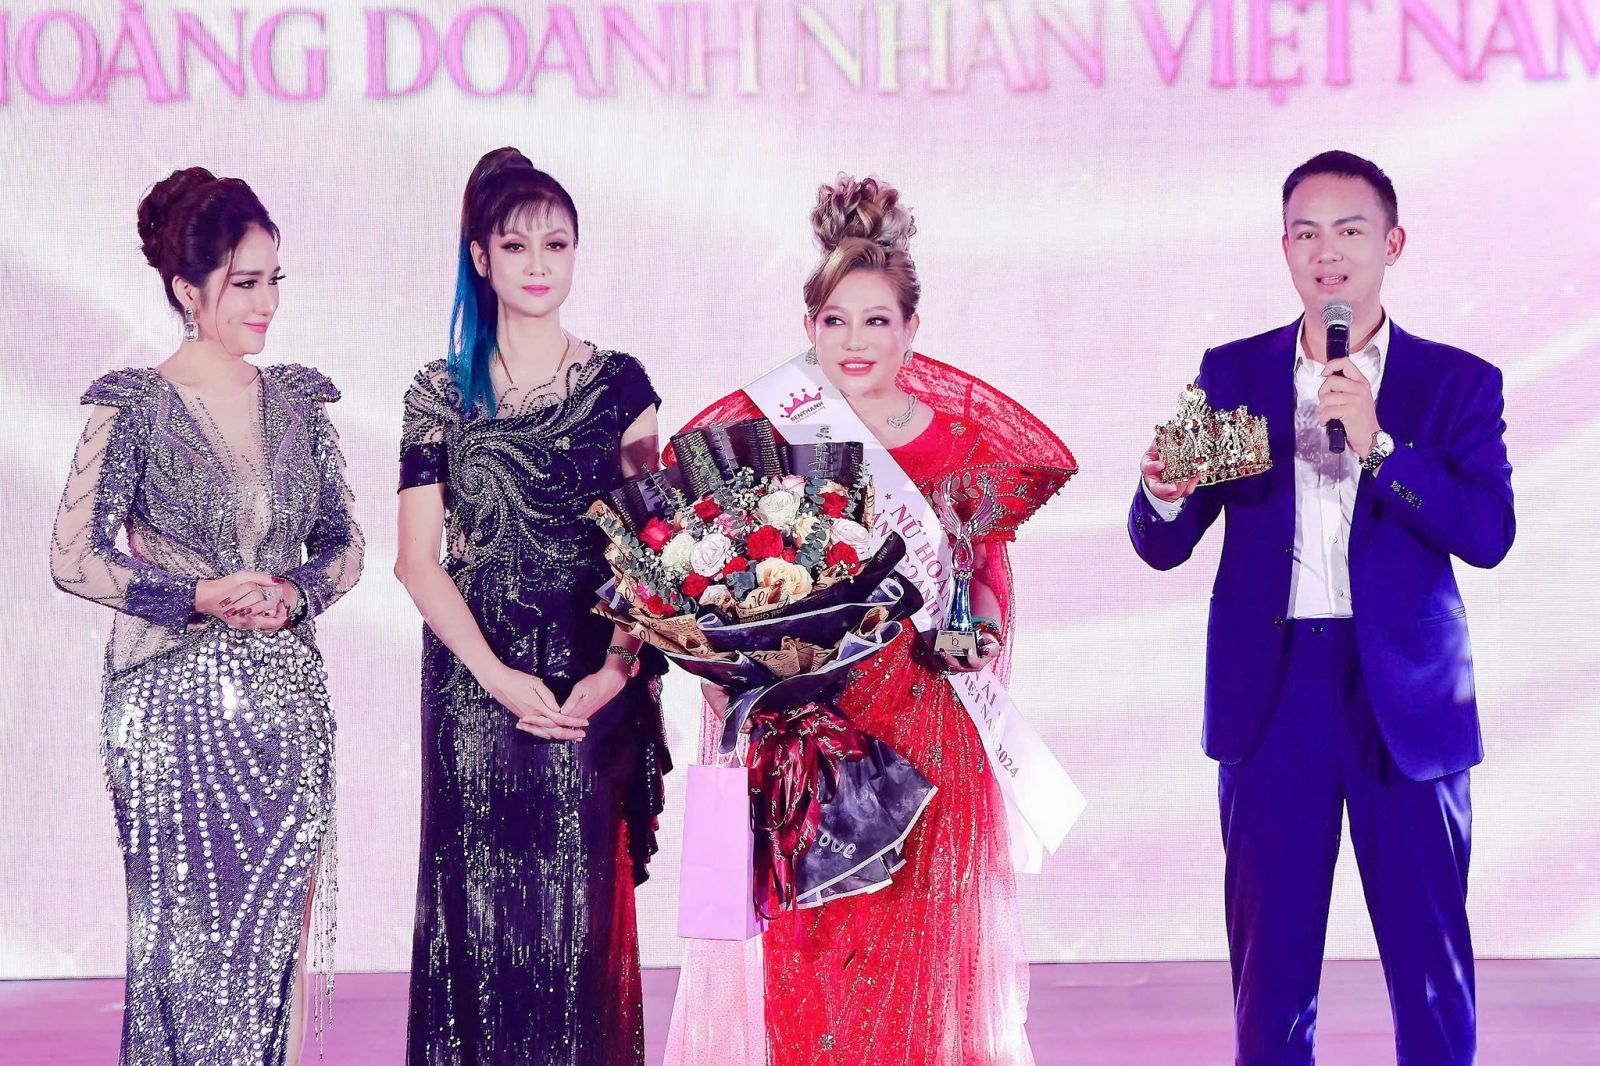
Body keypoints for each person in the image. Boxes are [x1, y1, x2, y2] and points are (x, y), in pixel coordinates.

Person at [666, 175, 1075, 1065]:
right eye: (836, 321)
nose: (855, 341)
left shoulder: (959, 446)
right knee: (812, 963)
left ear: (911, 330)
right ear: (809, 327)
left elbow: (983, 573)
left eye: (877, 320)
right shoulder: (776, 440)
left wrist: (983, 631)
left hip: (931, 726)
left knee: (924, 962)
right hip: (814, 735)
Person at [1129, 150, 1514, 1065]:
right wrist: (1164, 494)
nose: (1327, 252)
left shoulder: (1455, 382)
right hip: (1273, 695)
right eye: (1306, 233)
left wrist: (1381, 446)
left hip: (1406, 698)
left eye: (1349, 230)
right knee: (1271, 975)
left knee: (1430, 967)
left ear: (1393, 243)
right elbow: (1162, 543)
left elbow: (1488, 533)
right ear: (1286, 249)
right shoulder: (1233, 373)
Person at [49, 167, 364, 1065]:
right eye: (244, 283)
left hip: (287, 704)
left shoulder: (299, 402)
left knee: (269, 952)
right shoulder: (133, 407)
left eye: (274, 281)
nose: (267, 304)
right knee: (183, 949)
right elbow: (73, 556)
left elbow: (344, 545)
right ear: (188, 290)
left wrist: (295, 592)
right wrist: (193, 597)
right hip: (170, 707)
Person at [395, 147, 670, 1065]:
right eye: (516, 246)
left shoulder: (622, 385)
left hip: (592, 677)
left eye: (557, 243)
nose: (539, 263)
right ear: (481, 258)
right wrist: (497, 678)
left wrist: (617, 669)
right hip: (477, 688)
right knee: (480, 918)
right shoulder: (440, 392)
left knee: (579, 926)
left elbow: (651, 548)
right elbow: (416, 561)